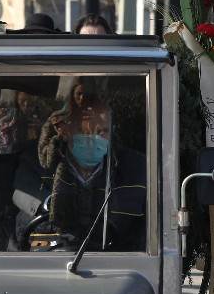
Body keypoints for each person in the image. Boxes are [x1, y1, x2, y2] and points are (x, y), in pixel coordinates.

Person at [35, 95, 146, 251]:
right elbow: (23, 233)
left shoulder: (137, 172)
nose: (93, 139)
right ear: (65, 131)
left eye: (101, 132)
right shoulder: (39, 170)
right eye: (84, 131)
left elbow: (146, 239)